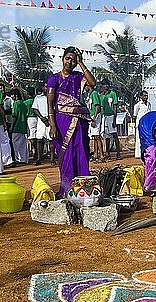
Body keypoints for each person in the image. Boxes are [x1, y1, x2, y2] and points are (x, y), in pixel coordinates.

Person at [47, 46, 96, 197]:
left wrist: (81, 63)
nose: (70, 62)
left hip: (79, 123)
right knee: (66, 155)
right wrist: (52, 124)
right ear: (62, 59)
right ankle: (67, 189)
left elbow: (92, 83)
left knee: (81, 153)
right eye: (68, 58)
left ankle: (84, 190)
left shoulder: (77, 77)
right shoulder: (54, 79)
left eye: (73, 60)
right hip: (61, 122)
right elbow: (50, 104)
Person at [99, 79, 120, 160]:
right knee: (106, 136)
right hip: (105, 117)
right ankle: (107, 152)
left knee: (114, 134)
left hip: (111, 116)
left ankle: (118, 153)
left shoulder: (113, 94)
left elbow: (115, 107)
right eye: (103, 85)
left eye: (106, 85)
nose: (105, 86)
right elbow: (101, 108)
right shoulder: (102, 96)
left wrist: (114, 119)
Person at [31, 85, 52, 165]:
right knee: (39, 139)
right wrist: (41, 117)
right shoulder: (38, 98)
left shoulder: (54, 96)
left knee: (51, 140)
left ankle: (52, 158)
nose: (47, 88)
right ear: (43, 87)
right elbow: (34, 108)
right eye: (46, 87)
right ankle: (39, 158)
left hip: (50, 119)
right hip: (41, 120)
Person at [10, 89, 29, 164]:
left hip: (17, 126)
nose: (11, 96)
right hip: (23, 126)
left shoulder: (16, 103)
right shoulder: (23, 104)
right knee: (23, 144)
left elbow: (14, 115)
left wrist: (11, 126)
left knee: (16, 144)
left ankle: (18, 159)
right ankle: (24, 159)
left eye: (12, 95)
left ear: (16, 95)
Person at [133, 90, 151, 158]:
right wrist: (135, 124)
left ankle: (146, 152)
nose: (146, 97)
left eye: (147, 95)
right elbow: (135, 115)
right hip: (140, 124)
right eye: (144, 96)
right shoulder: (138, 105)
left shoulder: (149, 104)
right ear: (141, 96)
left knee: (146, 138)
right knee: (138, 138)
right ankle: (138, 154)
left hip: (146, 124)